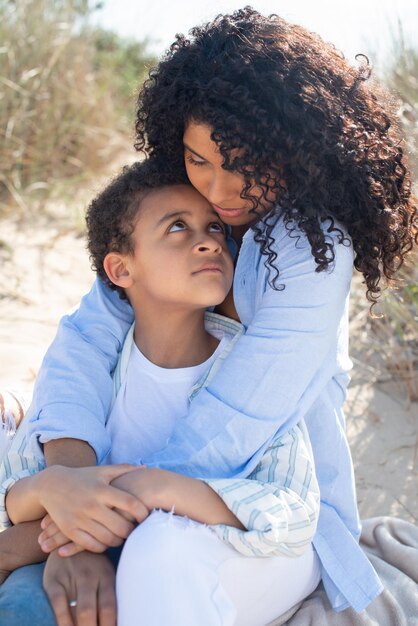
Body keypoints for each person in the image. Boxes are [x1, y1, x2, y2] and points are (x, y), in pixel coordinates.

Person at [1, 4, 417, 622]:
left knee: (160, 554)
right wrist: (68, 487)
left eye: (247, 164)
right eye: (201, 160)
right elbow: (85, 340)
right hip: (122, 499)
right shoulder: (174, 211)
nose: (220, 193)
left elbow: (235, 423)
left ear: (295, 149)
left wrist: (81, 530)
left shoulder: (310, 251)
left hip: (261, 510)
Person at [0, 159, 320, 626]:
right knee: (27, 608)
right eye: (177, 227)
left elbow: (290, 509)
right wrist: (53, 487)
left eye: (214, 227)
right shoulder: (96, 368)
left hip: (193, 560)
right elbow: (15, 491)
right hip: (77, 549)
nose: (209, 239)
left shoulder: (247, 367)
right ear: (121, 269)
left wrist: (156, 490)